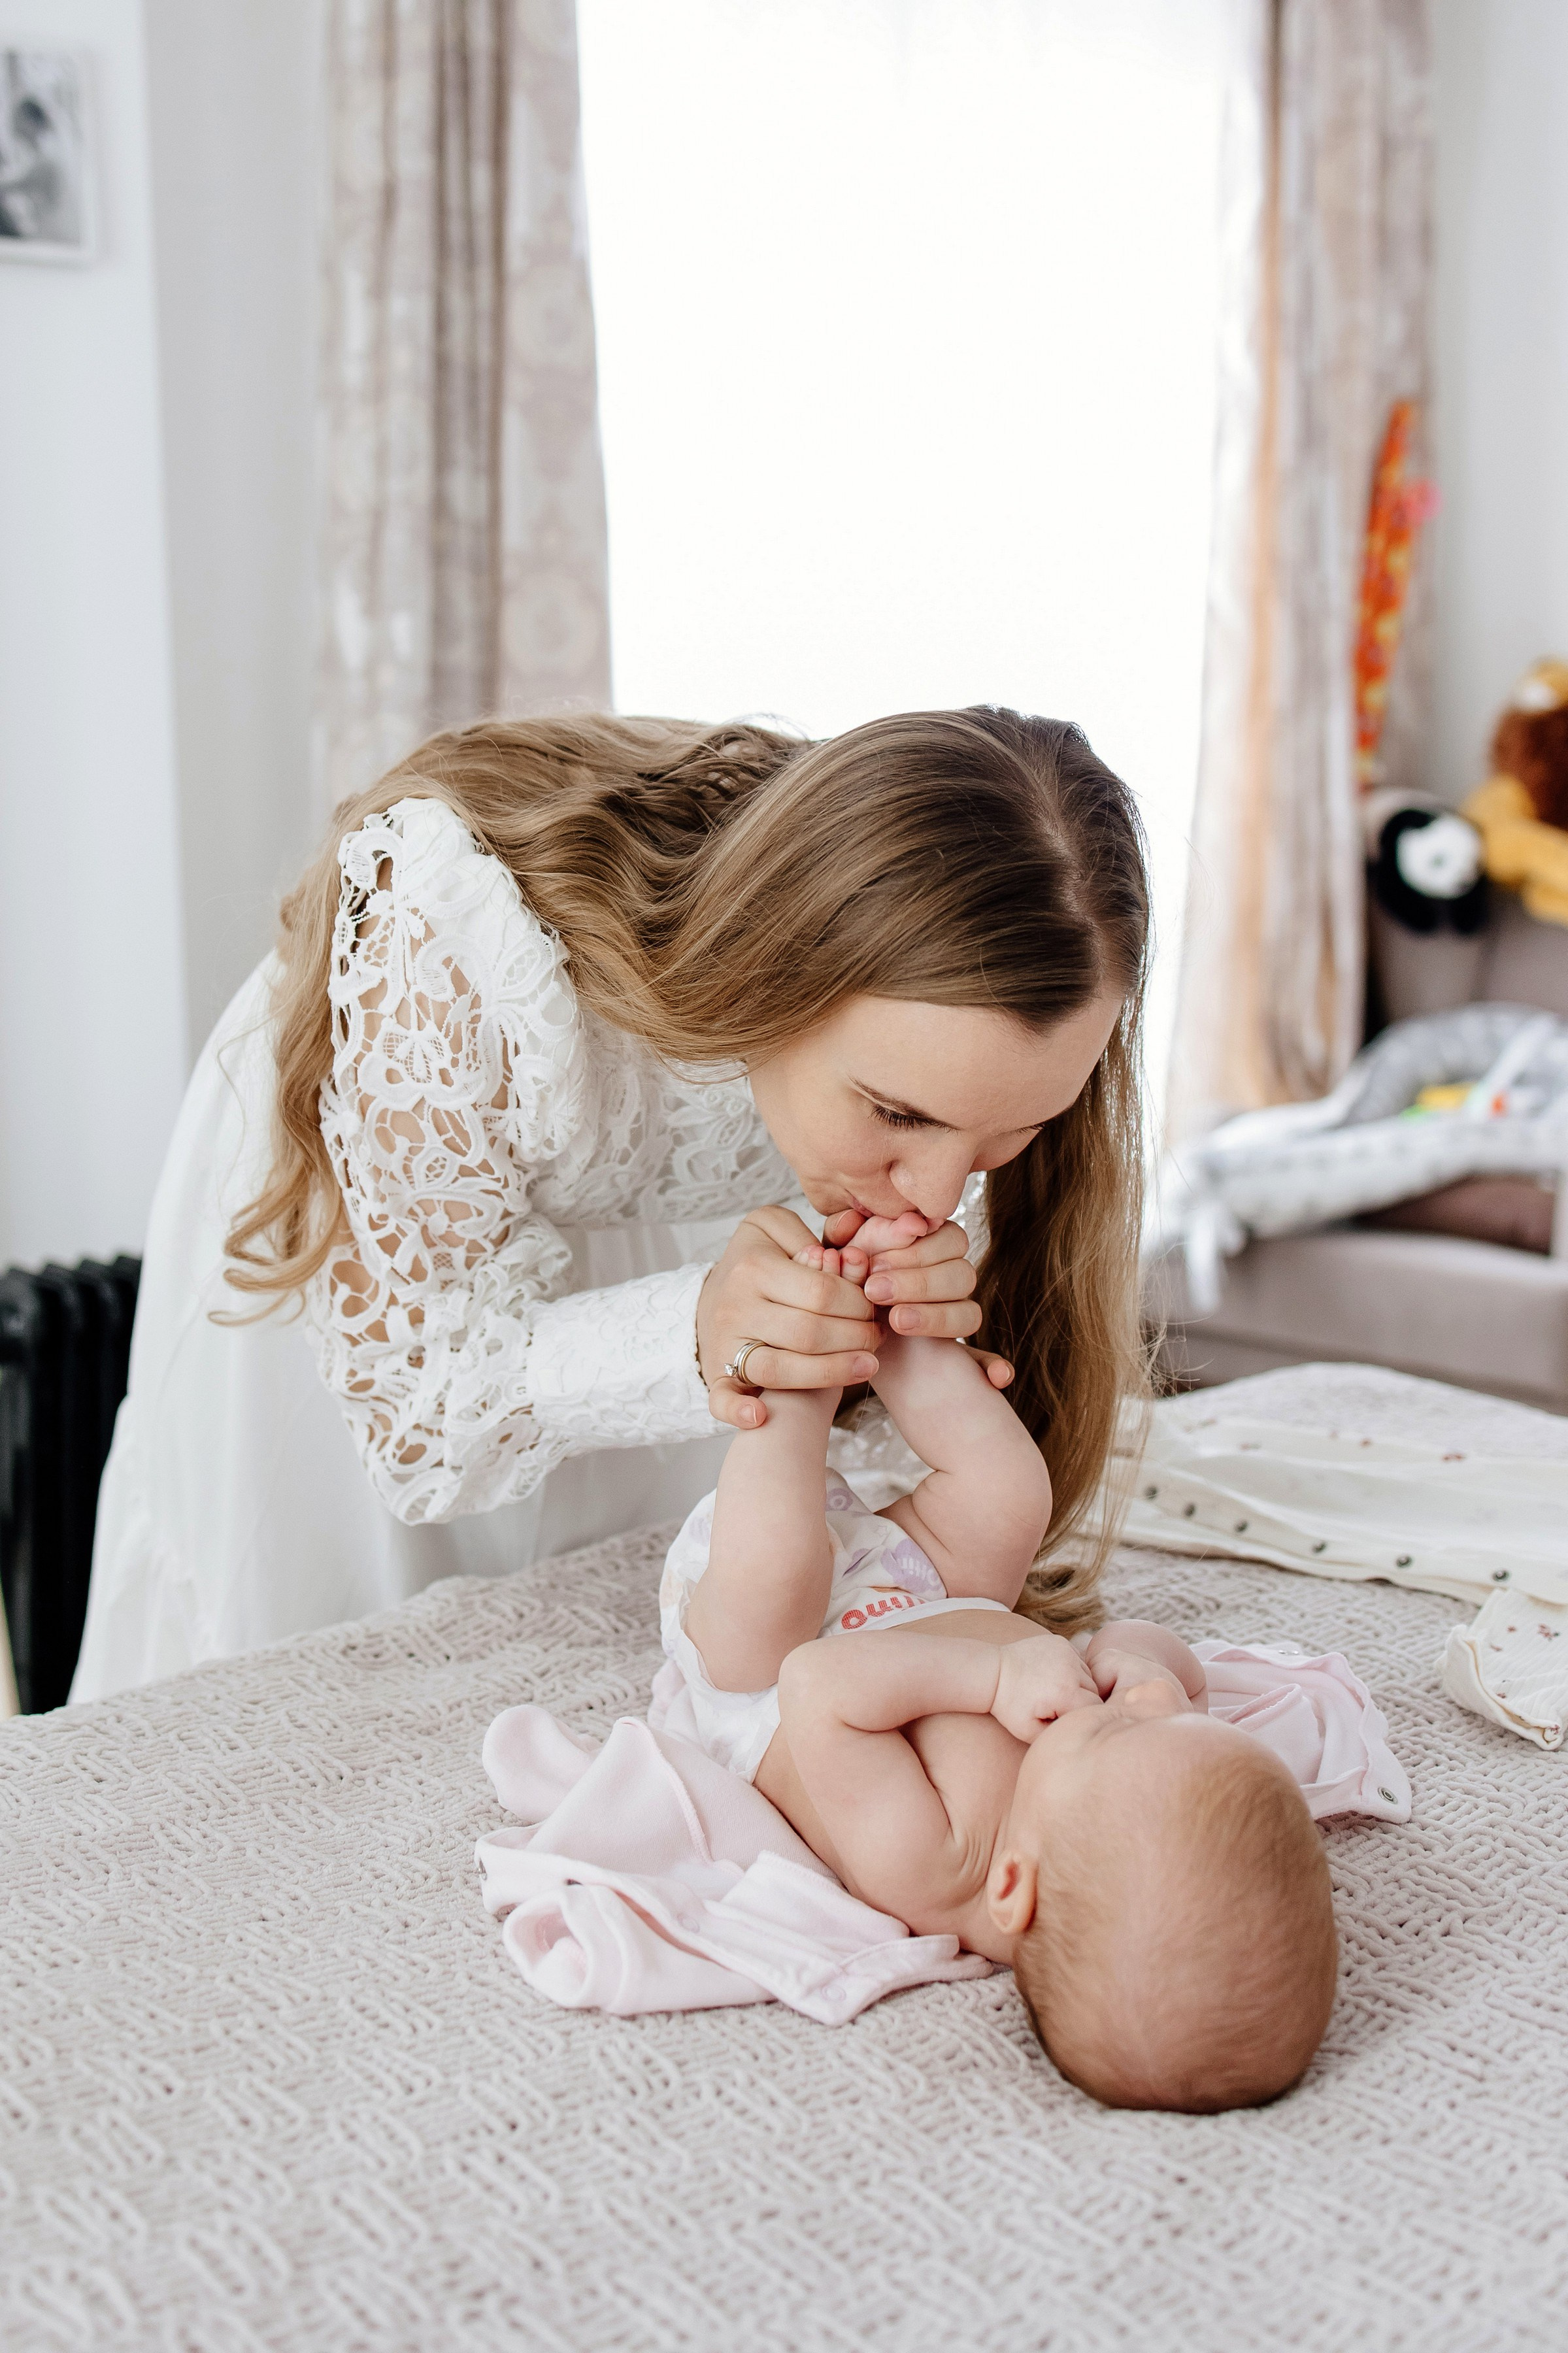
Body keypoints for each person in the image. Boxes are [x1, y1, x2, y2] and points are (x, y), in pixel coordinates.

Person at [73, 708, 1149, 1701]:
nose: (940, 1197)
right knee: (332, 1654)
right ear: (769, 979)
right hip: (388, 1236)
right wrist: (699, 1328)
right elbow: (419, 1406)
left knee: (626, 1648)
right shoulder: (443, 939)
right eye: (897, 1116)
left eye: (1008, 1138)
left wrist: (883, 1322)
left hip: (671, 1261)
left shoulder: (948, 1020)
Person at [654, 1237, 1338, 2112]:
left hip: (766, 1664)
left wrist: (990, 1683)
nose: (1156, 1702)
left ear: (1013, 1884)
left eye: (1126, 1723)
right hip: (922, 1587)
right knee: (1011, 1496)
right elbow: (1152, 1657)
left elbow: (820, 1689)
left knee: (777, 1572)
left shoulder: (935, 1863)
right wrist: (1133, 1658)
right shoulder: (1147, 1774)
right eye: (1178, 1717)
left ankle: (804, 1365)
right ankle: (897, 1318)